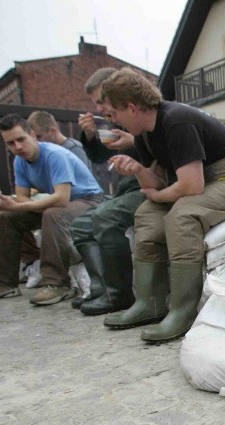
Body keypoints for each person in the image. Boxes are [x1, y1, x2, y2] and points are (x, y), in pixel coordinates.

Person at [99, 67, 225, 342]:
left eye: (113, 113)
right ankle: (149, 302)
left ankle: (182, 310)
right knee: (147, 214)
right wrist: (138, 171)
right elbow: (162, 182)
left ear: (131, 108)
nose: (112, 120)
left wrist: (157, 196)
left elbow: (190, 187)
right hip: (204, 180)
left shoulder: (176, 121)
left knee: (182, 215)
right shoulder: (144, 134)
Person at [0, 114, 104, 306]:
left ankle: (57, 284)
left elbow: (61, 198)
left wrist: (19, 204)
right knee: (8, 216)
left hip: (89, 200)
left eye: (21, 139)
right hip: (61, 203)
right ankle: (2, 283)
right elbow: (22, 196)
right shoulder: (20, 161)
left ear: (33, 135)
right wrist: (13, 206)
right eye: (10, 143)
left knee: (53, 213)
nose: (17, 147)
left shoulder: (56, 155)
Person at [66, 67, 145, 315]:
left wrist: (134, 143)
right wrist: (90, 136)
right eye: (95, 103)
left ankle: (119, 295)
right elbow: (103, 155)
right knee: (80, 225)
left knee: (105, 216)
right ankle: (101, 289)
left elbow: (161, 153)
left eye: (101, 101)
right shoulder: (116, 120)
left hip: (150, 185)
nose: (99, 109)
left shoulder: (139, 114)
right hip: (129, 187)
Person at [27, 110, 92, 169]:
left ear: (52, 131)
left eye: (38, 137)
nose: (35, 141)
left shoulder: (74, 149)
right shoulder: (44, 150)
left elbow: (81, 179)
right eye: (32, 137)